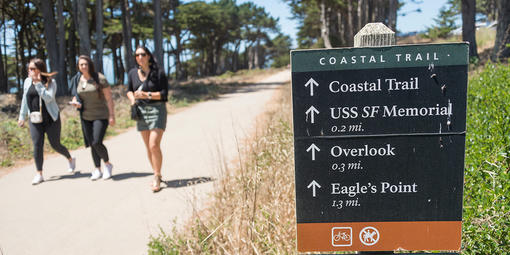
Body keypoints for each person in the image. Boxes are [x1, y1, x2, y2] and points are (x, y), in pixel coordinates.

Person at [18, 58, 76, 185]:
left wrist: (38, 84)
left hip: (51, 119)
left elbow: (49, 98)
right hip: (34, 120)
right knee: (37, 145)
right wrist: (22, 116)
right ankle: (39, 173)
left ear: (40, 70)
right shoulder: (27, 82)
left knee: (55, 144)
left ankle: (70, 158)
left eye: (32, 69)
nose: (29, 71)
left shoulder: (51, 82)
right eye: (29, 68)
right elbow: (24, 99)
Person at [127, 46, 168, 192]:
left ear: (149, 56)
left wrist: (147, 95)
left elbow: (164, 94)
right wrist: (133, 100)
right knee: (148, 147)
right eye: (137, 55)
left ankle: (157, 176)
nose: (139, 57)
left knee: (153, 145)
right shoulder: (132, 73)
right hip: (141, 111)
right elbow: (129, 91)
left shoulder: (159, 73)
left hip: (157, 110)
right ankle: (156, 172)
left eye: (142, 54)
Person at [69, 55, 115, 180]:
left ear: (90, 65)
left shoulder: (99, 78)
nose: (83, 66)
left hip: (101, 115)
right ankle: (97, 169)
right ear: (78, 66)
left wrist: (111, 115)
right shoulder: (77, 79)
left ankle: (108, 164)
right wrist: (75, 102)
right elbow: (75, 96)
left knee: (97, 141)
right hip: (85, 116)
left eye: (85, 64)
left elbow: (109, 98)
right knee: (91, 143)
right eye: (81, 64)